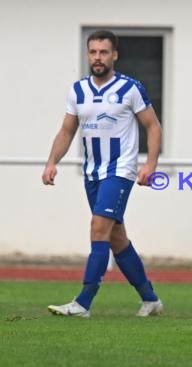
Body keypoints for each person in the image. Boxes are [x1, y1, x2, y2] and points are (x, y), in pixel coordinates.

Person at [42, 30, 163, 318]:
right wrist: (51, 162)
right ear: (88, 55)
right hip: (92, 173)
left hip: (120, 171)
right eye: (93, 52)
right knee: (115, 237)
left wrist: (151, 165)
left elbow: (153, 126)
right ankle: (151, 299)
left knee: (98, 228)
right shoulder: (78, 91)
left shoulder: (130, 89)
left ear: (114, 55)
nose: (98, 57)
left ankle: (83, 302)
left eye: (103, 52)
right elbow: (67, 131)